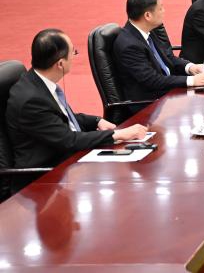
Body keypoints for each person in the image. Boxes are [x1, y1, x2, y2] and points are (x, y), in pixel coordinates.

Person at [5, 29, 149, 187]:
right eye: (73, 52)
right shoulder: (32, 100)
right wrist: (116, 134)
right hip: (44, 178)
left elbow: (62, 118)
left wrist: (96, 121)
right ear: (60, 63)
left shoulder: (37, 82)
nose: (74, 56)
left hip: (65, 161)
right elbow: (69, 140)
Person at [113, 0, 204, 103]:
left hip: (167, 91)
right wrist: (191, 81)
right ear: (147, 15)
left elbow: (167, 57)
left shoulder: (147, 30)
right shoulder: (129, 45)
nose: (164, 11)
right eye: (160, 8)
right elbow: (152, 80)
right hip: (150, 103)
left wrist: (190, 67)